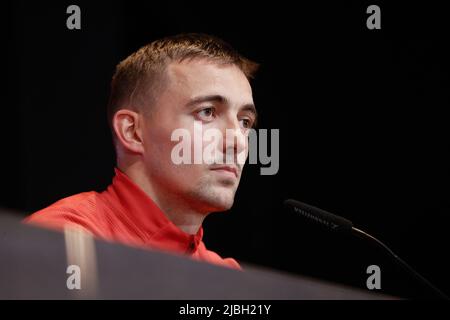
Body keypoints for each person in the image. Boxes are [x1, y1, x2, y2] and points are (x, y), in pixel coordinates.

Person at [25, 33, 259, 270]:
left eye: (245, 122)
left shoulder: (225, 275)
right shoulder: (62, 239)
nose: (237, 142)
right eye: (207, 112)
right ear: (133, 132)